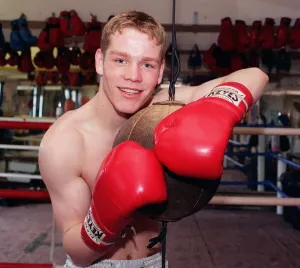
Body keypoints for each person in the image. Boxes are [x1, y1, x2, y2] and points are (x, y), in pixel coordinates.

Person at [38, 10, 269, 268]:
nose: (133, 77)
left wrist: (219, 109)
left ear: (160, 72)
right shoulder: (66, 141)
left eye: (147, 64)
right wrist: (104, 218)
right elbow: (78, 254)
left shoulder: (162, 110)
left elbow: (255, 76)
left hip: (155, 262)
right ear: (100, 61)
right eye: (121, 60)